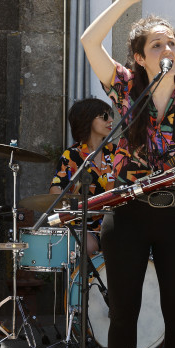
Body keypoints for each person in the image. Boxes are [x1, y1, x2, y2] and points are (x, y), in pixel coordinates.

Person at [80, 0, 175, 348]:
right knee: (124, 313)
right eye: (156, 45)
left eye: (171, 43)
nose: (167, 50)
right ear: (139, 57)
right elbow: (89, 41)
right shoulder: (125, 87)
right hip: (128, 211)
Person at [49, 98, 117, 254]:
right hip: (84, 225)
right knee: (89, 246)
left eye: (110, 115)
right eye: (105, 116)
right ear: (88, 119)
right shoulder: (72, 155)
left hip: (114, 222)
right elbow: (56, 190)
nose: (111, 120)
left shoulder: (117, 152)